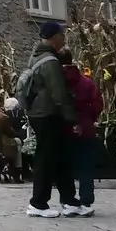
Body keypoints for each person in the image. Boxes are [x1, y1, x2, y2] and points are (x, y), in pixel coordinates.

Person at [20, 22, 77, 218]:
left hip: (39, 113)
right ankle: (38, 203)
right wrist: (73, 118)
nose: (64, 38)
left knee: (59, 157)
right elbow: (58, 94)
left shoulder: (36, 56)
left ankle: (69, 201)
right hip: (47, 114)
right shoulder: (50, 62)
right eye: (62, 34)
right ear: (54, 37)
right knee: (46, 158)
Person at [64, 57, 103, 217]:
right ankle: (86, 200)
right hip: (85, 128)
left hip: (64, 128)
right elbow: (97, 104)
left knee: (65, 166)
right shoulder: (87, 83)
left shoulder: (59, 82)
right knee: (85, 166)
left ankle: (68, 201)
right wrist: (88, 119)